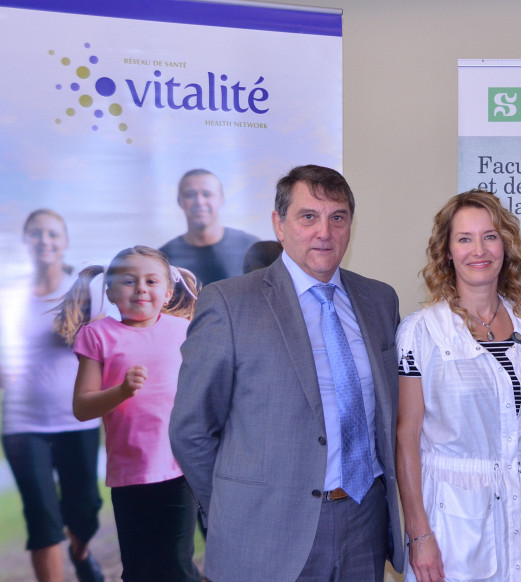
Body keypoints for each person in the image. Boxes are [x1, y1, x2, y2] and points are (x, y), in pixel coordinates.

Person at [169, 164, 404, 582]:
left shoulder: (379, 300)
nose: (324, 232)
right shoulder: (229, 303)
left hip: (363, 524)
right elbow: (191, 430)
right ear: (279, 224)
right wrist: (233, 505)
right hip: (265, 533)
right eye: (308, 216)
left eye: (338, 217)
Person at [396, 190, 521, 582]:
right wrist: (418, 533)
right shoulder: (422, 333)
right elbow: (407, 436)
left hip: (519, 507)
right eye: (464, 239)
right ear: (447, 252)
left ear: (505, 246)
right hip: (451, 518)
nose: (479, 250)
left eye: (490, 236)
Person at [56, 245, 200, 582]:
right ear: (110, 292)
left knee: (176, 565)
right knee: (138, 569)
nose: (141, 289)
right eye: (129, 281)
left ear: (167, 292)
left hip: (179, 470)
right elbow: (82, 407)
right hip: (129, 472)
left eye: (151, 281)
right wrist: (121, 391)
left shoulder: (185, 331)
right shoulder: (97, 336)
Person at [0, 210, 104, 582]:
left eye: (52, 234)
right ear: (26, 241)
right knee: (41, 516)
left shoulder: (85, 293)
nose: (44, 241)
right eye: (36, 234)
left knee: (84, 511)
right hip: (22, 425)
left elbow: (109, 347)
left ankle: (81, 550)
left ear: (64, 242)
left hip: (78, 419)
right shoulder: (7, 296)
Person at [159, 168, 258, 285]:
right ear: (179, 201)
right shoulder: (164, 260)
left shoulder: (251, 247)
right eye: (190, 195)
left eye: (207, 194)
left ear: (221, 199)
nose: (199, 201)